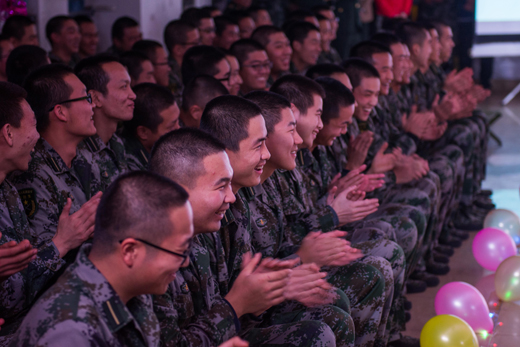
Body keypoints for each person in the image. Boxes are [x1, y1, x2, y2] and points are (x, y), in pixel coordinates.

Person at [198, 97, 357, 347]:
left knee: (336, 303)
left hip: (236, 325)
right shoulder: (190, 223)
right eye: (258, 145)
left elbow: (247, 300)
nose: (267, 154)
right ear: (224, 152)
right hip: (226, 332)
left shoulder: (236, 202)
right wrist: (296, 261)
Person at [11, 171, 193, 346]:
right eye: (180, 252)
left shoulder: (133, 294)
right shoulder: (69, 330)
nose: (185, 262)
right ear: (130, 251)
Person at [75, 55, 135, 192]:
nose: (133, 95)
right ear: (95, 98)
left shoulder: (116, 142)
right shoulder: (79, 154)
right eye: (123, 87)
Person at [121, 83, 181, 170]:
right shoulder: (127, 164)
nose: (178, 129)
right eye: (171, 127)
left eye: (178, 121)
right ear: (143, 132)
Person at [163, 20, 200, 100]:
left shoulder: (190, 68)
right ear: (178, 49)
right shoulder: (169, 75)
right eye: (195, 43)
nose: (200, 46)